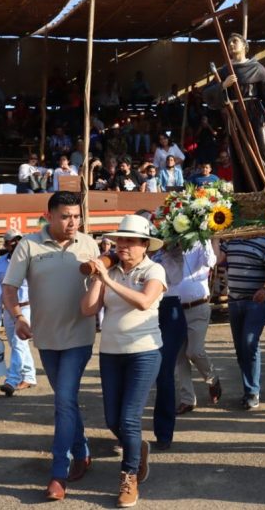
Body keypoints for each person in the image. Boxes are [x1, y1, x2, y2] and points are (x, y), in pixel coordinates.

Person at [2, 191, 100, 501]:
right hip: (45, 338)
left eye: (77, 216)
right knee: (66, 400)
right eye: (65, 216)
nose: (73, 222)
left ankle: (59, 472)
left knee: (64, 400)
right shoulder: (28, 245)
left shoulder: (89, 244)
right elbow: (9, 287)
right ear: (49, 216)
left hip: (80, 337)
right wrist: (18, 317)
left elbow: (100, 286)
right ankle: (82, 451)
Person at [81, 215, 166, 508]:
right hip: (111, 352)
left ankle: (129, 477)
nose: (123, 245)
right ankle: (137, 447)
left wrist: (107, 281)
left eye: (130, 241)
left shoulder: (154, 270)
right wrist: (98, 278)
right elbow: (88, 309)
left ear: (145, 245)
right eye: (120, 240)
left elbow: (144, 302)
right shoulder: (112, 271)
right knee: (112, 419)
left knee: (129, 419)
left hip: (144, 352)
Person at [202, 33, 265, 190]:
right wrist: (223, 85)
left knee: (264, 148)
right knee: (242, 154)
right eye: (229, 42)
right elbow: (207, 94)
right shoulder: (224, 71)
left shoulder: (256, 67)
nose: (231, 44)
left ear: (244, 45)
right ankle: (249, 190)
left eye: (235, 41)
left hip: (254, 113)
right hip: (235, 116)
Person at [220, 235, 265, 409]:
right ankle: (249, 391)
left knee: (249, 342)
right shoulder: (231, 240)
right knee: (241, 348)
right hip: (234, 301)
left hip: (257, 301)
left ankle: (253, 391)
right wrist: (216, 238)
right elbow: (217, 260)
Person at [169, 240, 221, 415]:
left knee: (194, 351)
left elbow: (211, 261)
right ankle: (187, 400)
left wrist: (204, 236)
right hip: (175, 308)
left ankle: (212, 379)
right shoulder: (170, 247)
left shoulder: (199, 243)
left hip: (198, 306)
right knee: (179, 356)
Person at [0, 230, 36, 397]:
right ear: (6, 244)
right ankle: (29, 376)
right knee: (17, 344)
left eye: (19, 240)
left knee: (19, 343)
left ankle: (12, 380)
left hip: (26, 307)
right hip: (8, 309)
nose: (17, 243)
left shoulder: (29, 260)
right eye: (13, 240)